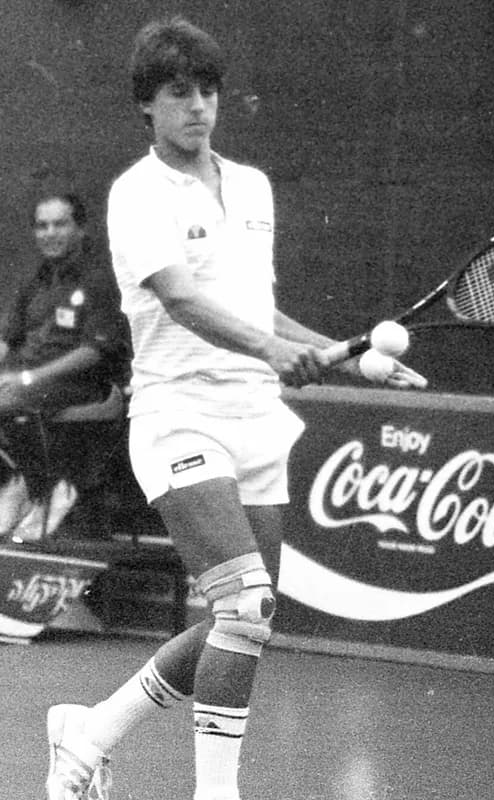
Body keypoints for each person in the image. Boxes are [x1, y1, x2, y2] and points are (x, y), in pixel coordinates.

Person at [45, 16, 426, 800]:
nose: (198, 107)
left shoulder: (251, 187)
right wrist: (272, 350)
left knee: (246, 617)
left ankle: (90, 732)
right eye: (179, 93)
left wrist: (348, 354)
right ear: (146, 105)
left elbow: (258, 309)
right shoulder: (137, 194)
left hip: (256, 420)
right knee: (243, 603)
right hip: (179, 416)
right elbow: (181, 299)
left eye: (208, 92)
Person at [0, 190, 129, 540]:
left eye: (60, 224)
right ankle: (17, 484)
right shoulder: (34, 280)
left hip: (83, 385)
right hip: (30, 384)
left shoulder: (99, 280)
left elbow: (94, 352)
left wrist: (30, 376)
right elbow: (7, 340)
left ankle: (47, 491)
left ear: (80, 228)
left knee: (9, 399)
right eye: (42, 226)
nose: (50, 233)